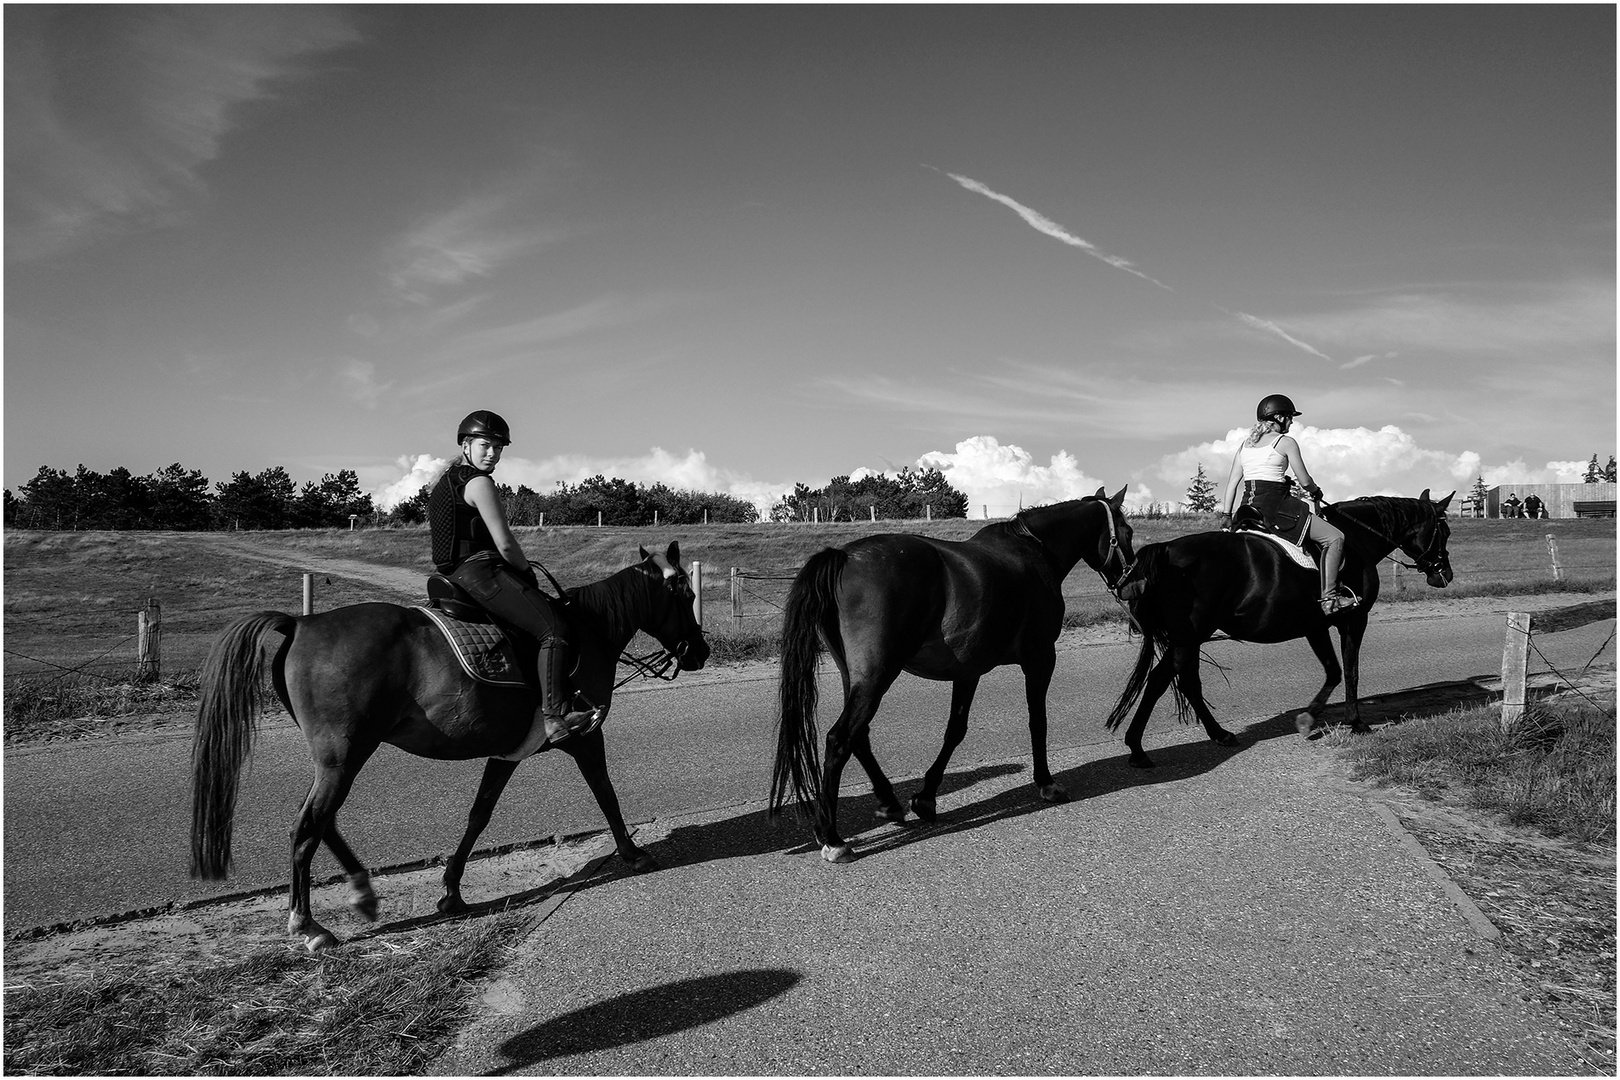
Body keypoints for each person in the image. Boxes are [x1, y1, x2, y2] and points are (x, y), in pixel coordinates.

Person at [428, 410, 602, 745]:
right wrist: (525, 571)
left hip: (451, 573)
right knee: (555, 630)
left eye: (498, 447)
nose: (492, 453)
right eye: (484, 445)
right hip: (479, 572)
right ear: (466, 444)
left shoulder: (445, 481)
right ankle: (554, 717)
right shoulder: (479, 483)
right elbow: (505, 543)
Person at [1219, 394, 1358, 615]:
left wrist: (1227, 513)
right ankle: (1330, 598)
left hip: (1247, 511)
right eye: (1290, 417)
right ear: (1278, 417)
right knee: (1335, 538)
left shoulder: (1245, 446)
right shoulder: (1285, 443)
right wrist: (1315, 492)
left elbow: (1232, 483)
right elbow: (1304, 480)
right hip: (1278, 509)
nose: (1292, 422)